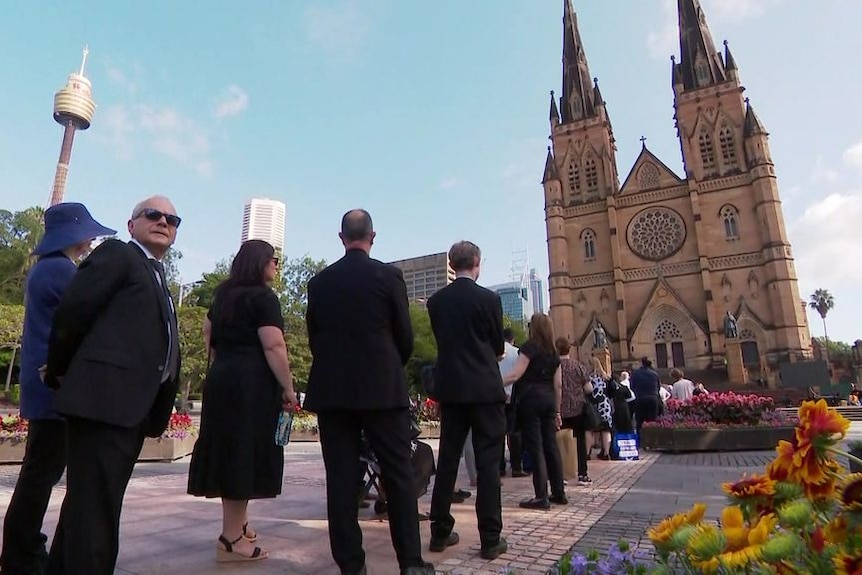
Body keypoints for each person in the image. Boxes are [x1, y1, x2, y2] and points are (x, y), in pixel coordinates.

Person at [43, 196, 182, 575]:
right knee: (97, 514)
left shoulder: (156, 273)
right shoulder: (119, 255)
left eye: (172, 219)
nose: (163, 222)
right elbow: (73, 312)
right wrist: (60, 370)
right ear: (132, 223)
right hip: (104, 402)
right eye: (153, 215)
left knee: (87, 508)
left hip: (129, 410)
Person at [304, 209, 433, 575]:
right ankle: (410, 563)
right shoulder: (389, 276)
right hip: (381, 387)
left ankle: (352, 566)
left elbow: (316, 338)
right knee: (398, 476)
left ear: (341, 238)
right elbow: (404, 337)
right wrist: (389, 365)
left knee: (341, 481)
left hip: (333, 390)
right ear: (372, 237)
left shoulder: (319, 283)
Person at [0, 203, 115, 575]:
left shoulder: (48, 269)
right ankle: (21, 553)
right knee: (40, 475)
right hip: (53, 387)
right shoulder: (60, 271)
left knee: (39, 473)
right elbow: (90, 315)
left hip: (43, 385)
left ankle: (22, 548)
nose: (90, 241)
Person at [187, 240, 298, 562]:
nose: (276, 265)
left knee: (229, 450)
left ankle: (240, 525)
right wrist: (288, 388)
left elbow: (209, 332)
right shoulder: (264, 298)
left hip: (223, 378)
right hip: (252, 384)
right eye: (273, 260)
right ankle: (231, 538)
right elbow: (274, 345)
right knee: (243, 454)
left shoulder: (224, 295)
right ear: (260, 263)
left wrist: (227, 358)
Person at [426, 240, 508, 560]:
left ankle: (440, 531)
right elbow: (498, 346)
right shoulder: (489, 299)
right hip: (485, 389)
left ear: (451, 263)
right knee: (488, 464)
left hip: (452, 388)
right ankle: (490, 537)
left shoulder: (436, 302)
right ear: (477, 263)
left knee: (448, 459)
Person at [502, 313, 566, 510]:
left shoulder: (529, 348)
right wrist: (557, 411)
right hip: (548, 400)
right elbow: (558, 385)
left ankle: (541, 496)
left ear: (534, 327)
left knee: (535, 447)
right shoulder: (554, 353)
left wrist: (494, 383)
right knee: (551, 446)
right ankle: (558, 492)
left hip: (530, 400)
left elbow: (516, 374)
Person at [556, 337, 593, 486]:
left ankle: (562, 475)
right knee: (580, 442)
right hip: (578, 409)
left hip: (560, 409)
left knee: (560, 443)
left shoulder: (554, 366)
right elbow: (589, 388)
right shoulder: (578, 366)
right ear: (569, 349)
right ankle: (582, 474)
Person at [498, 328, 526, 477]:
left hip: (497, 396)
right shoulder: (517, 353)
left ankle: (499, 466)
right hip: (514, 396)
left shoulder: (494, 353)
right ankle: (516, 466)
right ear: (513, 339)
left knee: (498, 433)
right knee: (514, 432)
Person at [587, 356, 614, 460]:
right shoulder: (606, 378)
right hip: (605, 405)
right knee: (606, 429)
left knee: (590, 429)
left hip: (593, 406)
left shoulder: (589, 378)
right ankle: (606, 453)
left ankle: (587, 452)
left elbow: (587, 391)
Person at [630, 357, 661, 434]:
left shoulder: (636, 373)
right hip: (652, 398)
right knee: (652, 420)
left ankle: (641, 440)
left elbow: (632, 386)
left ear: (642, 363)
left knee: (639, 421)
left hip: (640, 399)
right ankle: (653, 439)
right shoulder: (654, 374)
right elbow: (658, 387)